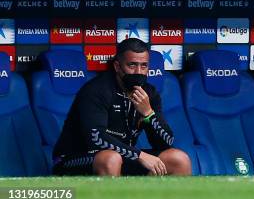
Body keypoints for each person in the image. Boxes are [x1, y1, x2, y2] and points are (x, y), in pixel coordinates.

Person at [52, 38, 191, 176]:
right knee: (110, 158)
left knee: (178, 159)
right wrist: (139, 155)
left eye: (144, 66)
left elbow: (166, 143)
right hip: (73, 159)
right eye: (132, 65)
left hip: (123, 156)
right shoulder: (97, 90)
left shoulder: (149, 93)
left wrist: (148, 114)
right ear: (117, 66)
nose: (138, 72)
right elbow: (96, 139)